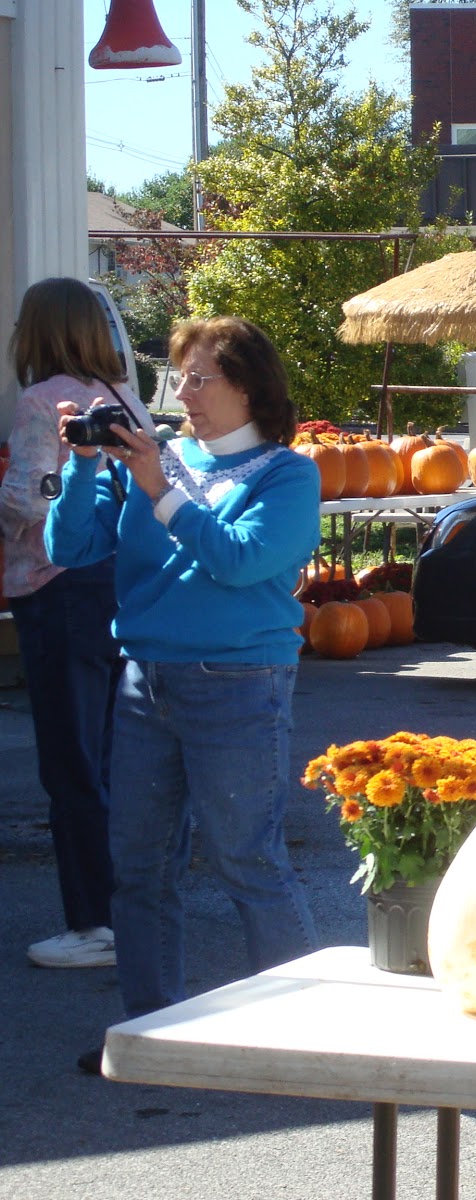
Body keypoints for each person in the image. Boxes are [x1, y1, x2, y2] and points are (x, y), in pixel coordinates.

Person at [44, 315, 322, 1072]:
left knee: (247, 861)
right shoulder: (157, 460)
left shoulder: (285, 474)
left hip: (238, 683)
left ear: (249, 386)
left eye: (201, 378)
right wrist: (80, 467)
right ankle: (149, 1033)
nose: (184, 394)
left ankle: (305, 1038)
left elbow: (240, 560)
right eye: (180, 378)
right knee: (137, 865)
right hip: (145, 678)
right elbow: (67, 549)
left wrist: (160, 489)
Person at [1, 278, 134, 970]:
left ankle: (92, 923)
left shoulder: (38, 401)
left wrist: (29, 487)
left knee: (70, 760)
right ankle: (126, 909)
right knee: (110, 753)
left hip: (54, 585)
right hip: (115, 584)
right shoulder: (120, 398)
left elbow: (27, 497)